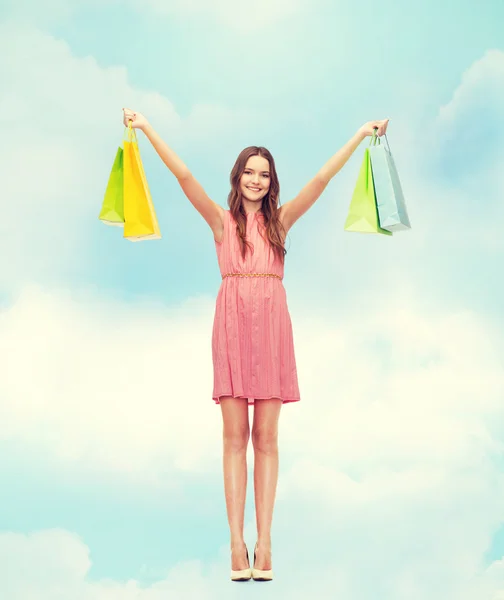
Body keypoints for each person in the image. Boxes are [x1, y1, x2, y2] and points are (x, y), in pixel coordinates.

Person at [121, 108, 389, 582]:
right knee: (233, 437)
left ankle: (264, 544)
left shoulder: (281, 224)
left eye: (264, 174)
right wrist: (144, 128)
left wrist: (359, 134)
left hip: (271, 327)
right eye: (249, 171)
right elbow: (183, 176)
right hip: (230, 326)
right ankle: (235, 542)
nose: (256, 180)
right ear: (237, 175)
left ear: (272, 182)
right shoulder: (221, 223)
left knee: (266, 437)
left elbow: (322, 179)